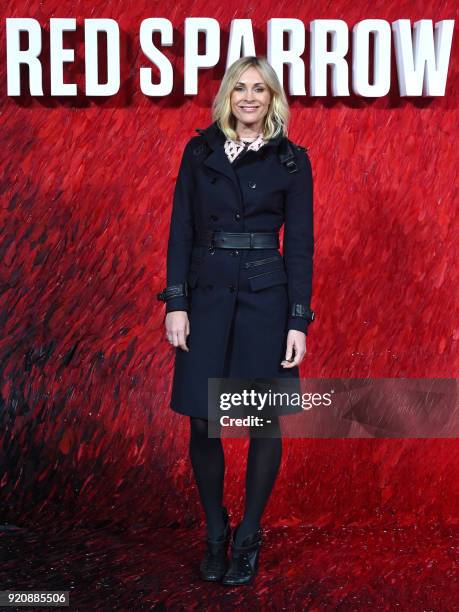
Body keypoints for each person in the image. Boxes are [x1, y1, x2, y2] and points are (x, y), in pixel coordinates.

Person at [157, 55, 315, 586]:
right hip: (205, 296)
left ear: (273, 99)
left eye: (260, 89)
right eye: (240, 88)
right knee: (204, 420)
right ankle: (215, 530)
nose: (249, 97)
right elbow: (180, 229)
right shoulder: (198, 151)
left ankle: (249, 534)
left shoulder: (293, 161)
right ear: (227, 95)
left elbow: (301, 248)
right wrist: (175, 302)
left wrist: (298, 320)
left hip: (266, 299)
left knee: (261, 421)